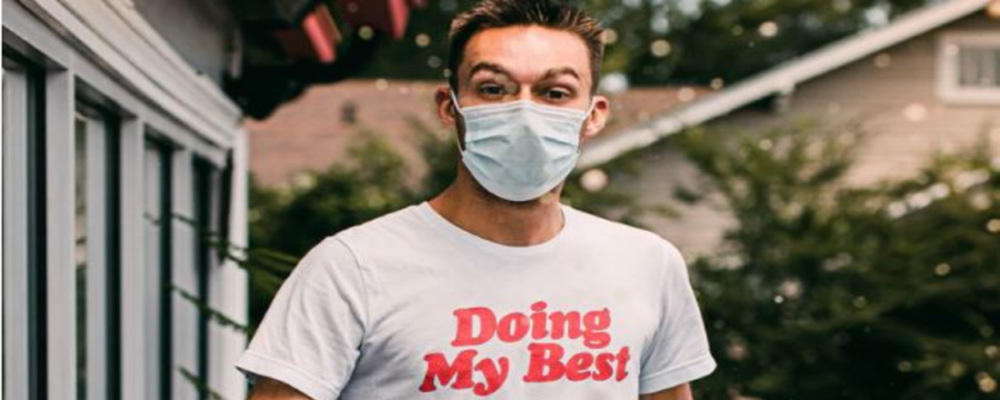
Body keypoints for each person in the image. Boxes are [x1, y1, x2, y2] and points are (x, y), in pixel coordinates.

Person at [237, 0, 716, 398]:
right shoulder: (351, 268)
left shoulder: (648, 264)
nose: (524, 111)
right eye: (493, 88)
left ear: (593, 116)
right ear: (450, 106)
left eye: (554, 92)